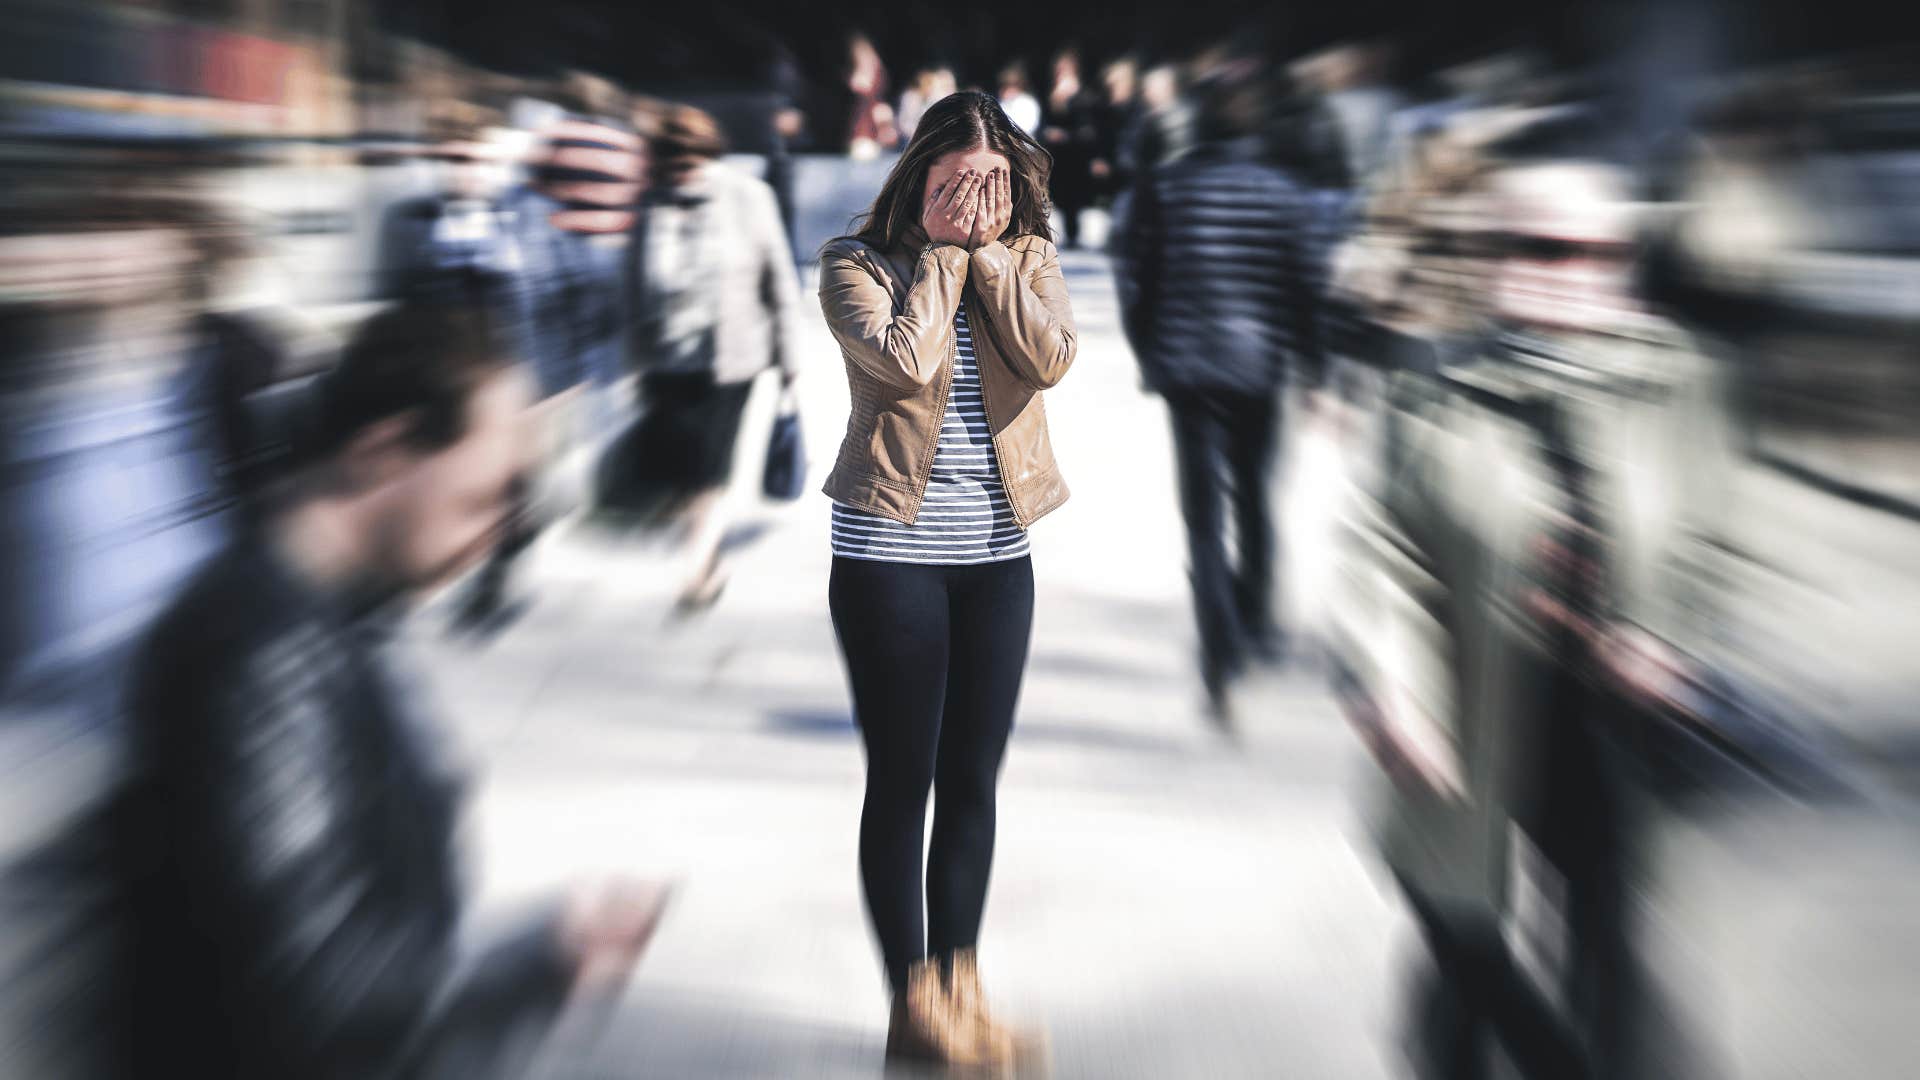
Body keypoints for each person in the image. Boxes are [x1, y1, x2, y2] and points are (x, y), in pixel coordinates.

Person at [108, 301, 671, 1079]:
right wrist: (543, 957)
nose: (507, 531)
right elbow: (317, 999)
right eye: (488, 495)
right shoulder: (260, 655)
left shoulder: (329, 618)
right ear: (385, 451)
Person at [817, 89, 1074, 1071]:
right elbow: (904, 364)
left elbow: (1049, 358)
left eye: (996, 184)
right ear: (918, 176)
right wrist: (943, 256)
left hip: (999, 560)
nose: (979, 200)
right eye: (959, 183)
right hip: (892, 558)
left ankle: (962, 989)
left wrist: (994, 260)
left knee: (973, 781)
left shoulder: (1031, 260)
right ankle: (911, 1004)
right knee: (904, 783)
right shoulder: (857, 265)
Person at [1114, 71, 1328, 724]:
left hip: (1188, 371)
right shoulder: (1283, 194)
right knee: (1256, 498)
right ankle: (1254, 620)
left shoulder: (1165, 188)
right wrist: (1315, 367)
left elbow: (1137, 280)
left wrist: (1149, 353)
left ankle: (1218, 648)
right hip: (1258, 370)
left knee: (1203, 520)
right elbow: (1305, 287)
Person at [624, 104, 803, 611]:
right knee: (684, 470)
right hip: (666, 360)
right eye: (673, 167)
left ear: (709, 155)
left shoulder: (749, 197)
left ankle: (697, 570)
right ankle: (705, 550)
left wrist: (790, 357)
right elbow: (632, 286)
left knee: (708, 467)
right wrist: (632, 362)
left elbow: (779, 279)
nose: (683, 175)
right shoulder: (650, 204)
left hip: (731, 360)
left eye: (691, 164)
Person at [1041, 48, 1102, 249]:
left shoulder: (1083, 95)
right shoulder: (1053, 95)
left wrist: (1066, 135)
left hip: (1077, 155)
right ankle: (1069, 234)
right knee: (1062, 194)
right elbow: (1046, 123)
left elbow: (1088, 129)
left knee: (1075, 195)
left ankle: (1075, 234)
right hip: (1060, 156)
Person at [897, 66, 958, 144]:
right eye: (926, 83)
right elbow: (904, 123)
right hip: (910, 139)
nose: (929, 87)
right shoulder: (911, 98)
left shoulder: (936, 99)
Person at [997, 63, 1042, 138]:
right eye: (1002, 86)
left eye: (1008, 86)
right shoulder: (1001, 103)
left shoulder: (1028, 102)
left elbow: (1028, 127)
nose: (1004, 91)